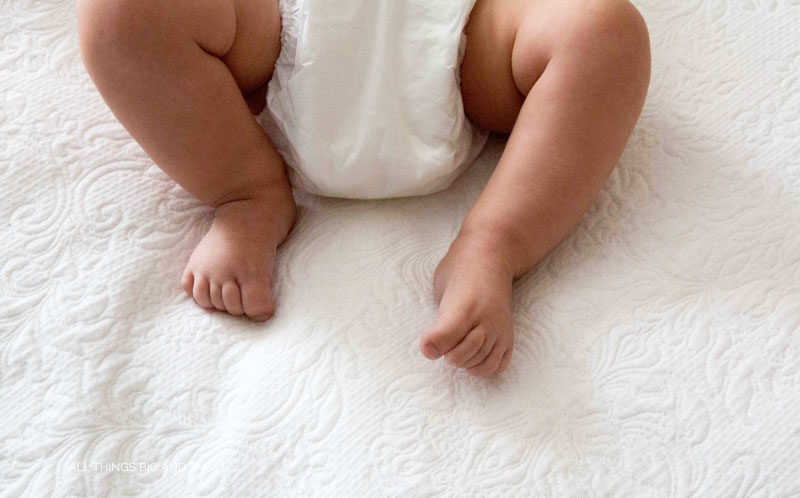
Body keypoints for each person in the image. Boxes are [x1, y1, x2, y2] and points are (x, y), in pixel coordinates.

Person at [76, 0, 651, 377]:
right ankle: (245, 191)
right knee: (120, 13)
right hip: (281, 26)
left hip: (469, 31)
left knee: (605, 32)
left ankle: (494, 243)